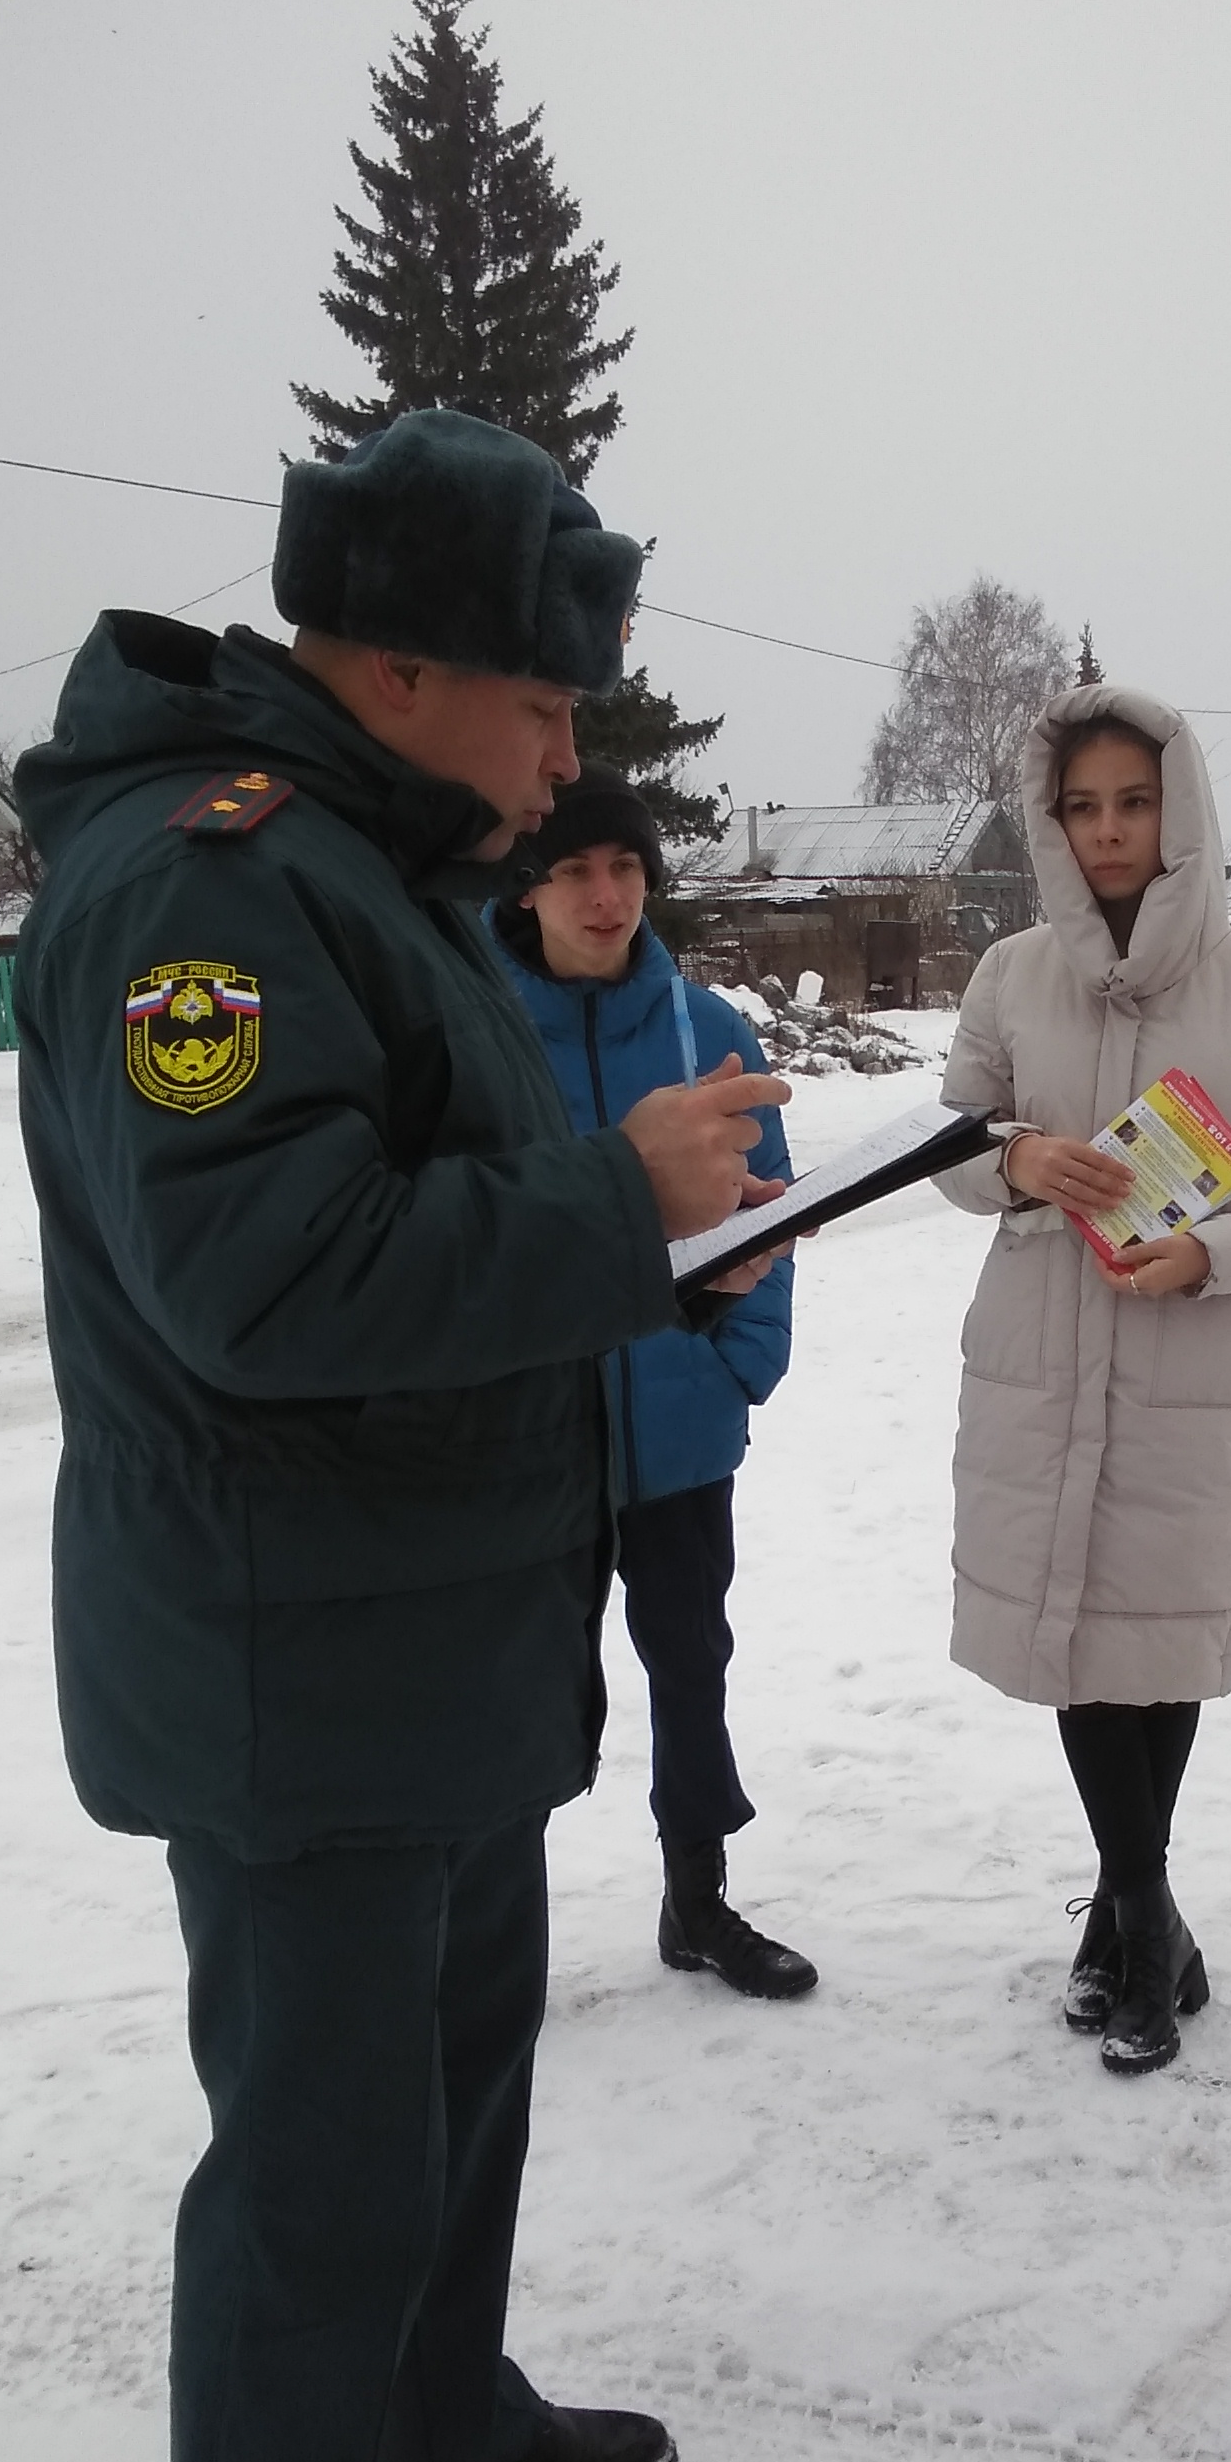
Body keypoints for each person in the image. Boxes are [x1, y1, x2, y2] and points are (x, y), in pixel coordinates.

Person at [11, 408, 788, 2462]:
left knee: (453, 2095)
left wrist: (646, 1228)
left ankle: (433, 2415)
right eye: (548, 709)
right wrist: (602, 1204)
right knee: (319, 2170)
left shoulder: (361, 869)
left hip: (424, 1653)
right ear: (393, 665)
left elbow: (438, 1218)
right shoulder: (207, 894)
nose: (572, 762)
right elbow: (260, 1279)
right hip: (294, 1673)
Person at [934, 684, 1231, 2072]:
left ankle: (1133, 1916)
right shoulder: (1010, 975)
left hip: (1191, 1361)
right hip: (1045, 1359)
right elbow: (943, 1151)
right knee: (1074, 1641)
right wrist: (1015, 1162)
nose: (1109, 832)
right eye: (1081, 807)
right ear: (1051, 824)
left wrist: (1216, 1256)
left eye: (1133, 802)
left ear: (1179, 811)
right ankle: (1144, 1915)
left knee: (1154, 1644)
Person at [490, 768, 816, 1997]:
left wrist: (736, 1366)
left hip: (679, 1429)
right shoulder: (476, 1025)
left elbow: (776, 1213)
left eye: (625, 867)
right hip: (526, 1437)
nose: (605, 892)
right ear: (528, 888)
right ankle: (493, 1944)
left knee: (691, 1666)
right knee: (518, 1696)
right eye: (574, 867)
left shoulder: (708, 1032)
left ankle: (699, 1903)